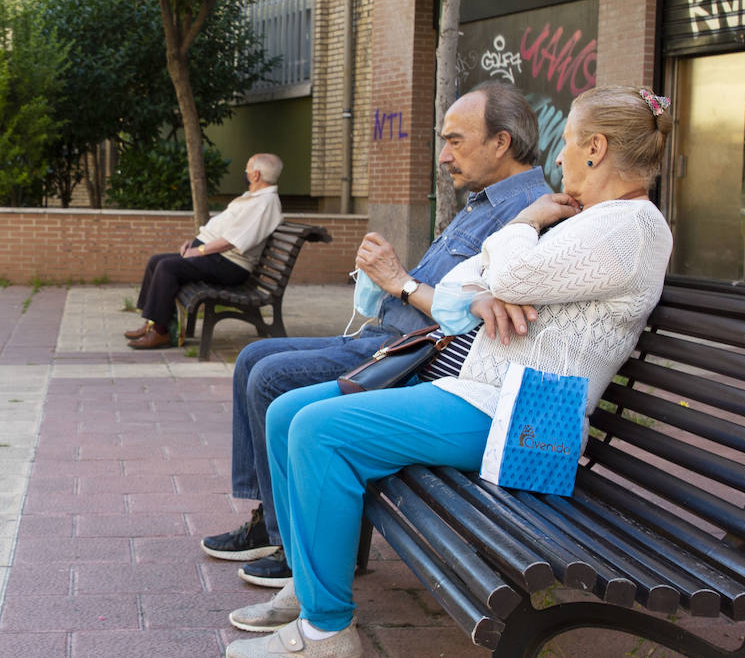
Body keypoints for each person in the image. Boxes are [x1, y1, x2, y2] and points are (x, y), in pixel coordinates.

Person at [224, 85, 676, 658]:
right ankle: (309, 587)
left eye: (566, 143)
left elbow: (509, 267)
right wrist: (495, 286)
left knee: (317, 430)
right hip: (479, 394)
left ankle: (327, 629)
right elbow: (480, 279)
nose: (559, 159)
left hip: (525, 419)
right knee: (287, 412)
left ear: (595, 148)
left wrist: (522, 222)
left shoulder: (630, 228)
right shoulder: (596, 223)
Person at [202, 82, 551, 586]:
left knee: (272, 377)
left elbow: (478, 309)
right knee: (254, 357)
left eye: (455, 141)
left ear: (501, 142)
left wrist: (399, 281)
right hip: (385, 338)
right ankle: (270, 519)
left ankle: (287, 540)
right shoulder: (484, 201)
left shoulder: (529, 212)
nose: (443, 156)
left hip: (412, 358)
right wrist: (386, 275)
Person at [125, 153, 285, 350]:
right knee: (155, 261)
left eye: (247, 169)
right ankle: (152, 323)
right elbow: (222, 230)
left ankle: (161, 332)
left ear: (256, 175)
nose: (245, 172)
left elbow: (231, 241)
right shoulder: (254, 198)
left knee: (167, 267)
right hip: (217, 258)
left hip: (230, 265)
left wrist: (198, 250)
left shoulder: (264, 204)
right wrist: (194, 245)